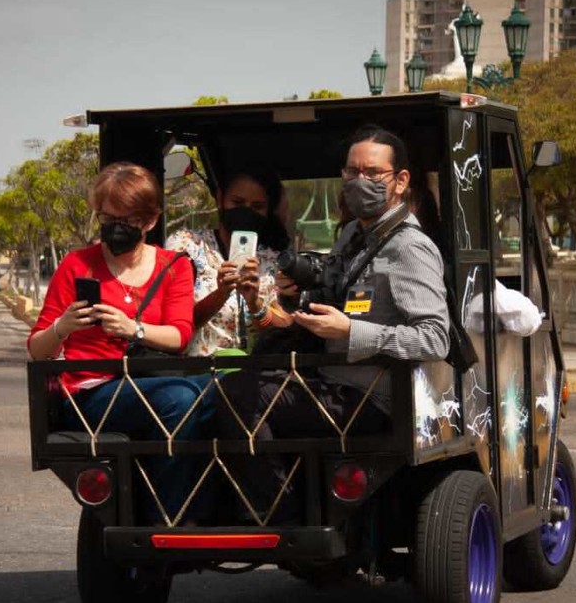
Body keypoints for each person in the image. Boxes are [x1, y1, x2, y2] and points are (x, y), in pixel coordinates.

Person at [217, 125, 451, 522]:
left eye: (373, 174)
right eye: (352, 173)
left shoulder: (409, 247)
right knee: (236, 386)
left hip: (373, 395)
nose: (361, 182)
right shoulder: (350, 237)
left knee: (242, 394)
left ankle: (282, 514)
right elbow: (336, 301)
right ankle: (283, 502)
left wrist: (350, 332)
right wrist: (296, 297)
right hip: (329, 383)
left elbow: (434, 338)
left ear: (400, 181)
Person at [28, 161, 209, 523]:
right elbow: (37, 348)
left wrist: (133, 329)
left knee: (231, 386)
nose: (115, 228)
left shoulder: (174, 266)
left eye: (126, 220)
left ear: (150, 220)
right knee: (180, 398)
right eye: (107, 218)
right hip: (92, 393)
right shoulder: (77, 264)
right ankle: (170, 516)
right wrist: (63, 326)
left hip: (150, 378)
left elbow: (179, 334)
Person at [165, 170, 292, 356]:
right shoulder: (188, 245)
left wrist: (255, 304)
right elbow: (175, 323)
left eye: (257, 207)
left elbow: (284, 331)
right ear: (220, 199)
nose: (246, 212)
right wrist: (220, 294)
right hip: (199, 372)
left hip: (256, 374)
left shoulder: (273, 260)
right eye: (237, 203)